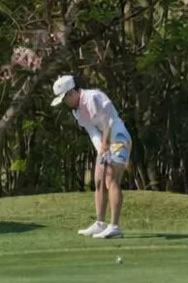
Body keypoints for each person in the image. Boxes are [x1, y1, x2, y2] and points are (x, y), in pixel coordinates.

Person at [52, 75, 133, 239]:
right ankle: (100, 223)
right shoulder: (78, 112)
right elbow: (92, 131)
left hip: (119, 138)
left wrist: (106, 141)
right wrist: (101, 149)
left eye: (65, 98)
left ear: (72, 92)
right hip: (104, 143)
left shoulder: (94, 97)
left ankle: (115, 227)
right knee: (98, 180)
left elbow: (111, 119)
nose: (65, 103)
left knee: (111, 179)